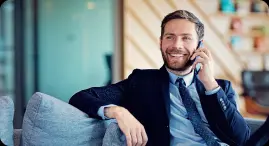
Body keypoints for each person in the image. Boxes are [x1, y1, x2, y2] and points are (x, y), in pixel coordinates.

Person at [69, 10, 269, 146]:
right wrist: (119, 112)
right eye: (170, 37)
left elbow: (242, 139)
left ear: (200, 45)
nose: (176, 45)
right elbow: (81, 97)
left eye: (186, 38)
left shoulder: (220, 87)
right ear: (161, 42)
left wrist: (210, 84)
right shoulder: (142, 81)